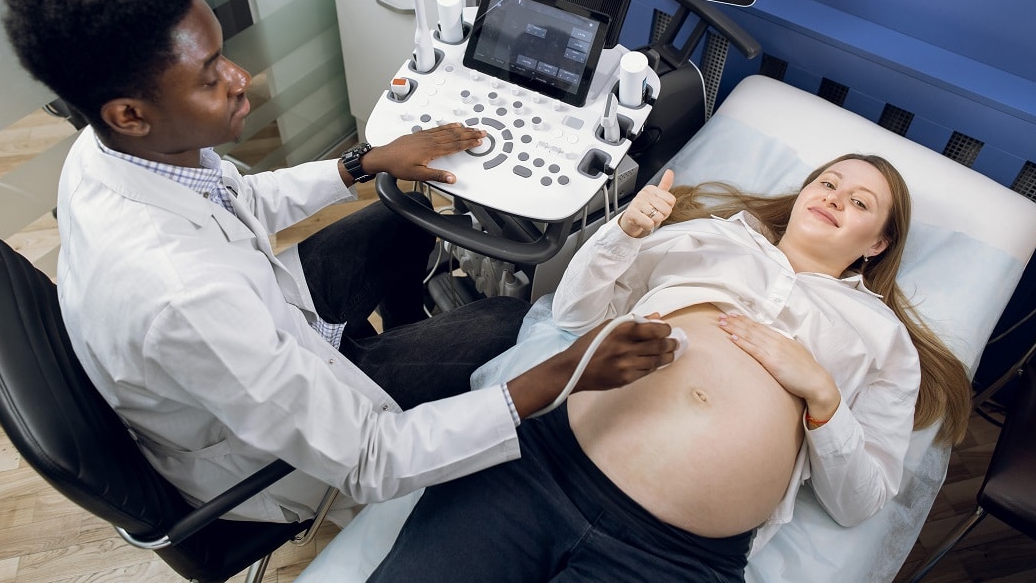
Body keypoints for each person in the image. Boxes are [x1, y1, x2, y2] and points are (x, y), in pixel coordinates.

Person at [0, 0, 677, 527]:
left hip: (264, 327)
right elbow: (372, 460)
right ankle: (421, 364)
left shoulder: (107, 150)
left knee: (400, 213)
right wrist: (559, 374)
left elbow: (236, 200)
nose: (241, 79)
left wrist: (362, 162)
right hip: (270, 459)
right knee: (505, 322)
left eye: (223, 55)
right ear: (129, 112)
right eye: (210, 79)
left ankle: (411, 334)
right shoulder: (184, 300)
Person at [368, 156, 973, 582]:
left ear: (876, 244)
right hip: (541, 467)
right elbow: (577, 314)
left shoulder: (885, 341)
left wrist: (821, 392)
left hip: (674, 558)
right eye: (827, 182)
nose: (834, 198)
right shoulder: (712, 238)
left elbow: (859, 501)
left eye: (860, 202)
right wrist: (623, 234)